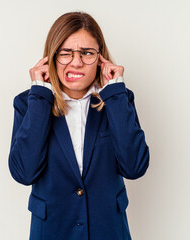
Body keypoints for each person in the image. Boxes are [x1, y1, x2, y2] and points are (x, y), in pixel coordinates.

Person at [8, 11, 150, 240]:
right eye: (65, 53)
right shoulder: (29, 103)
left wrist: (115, 91)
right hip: (53, 231)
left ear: (100, 58)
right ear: (52, 57)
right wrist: (41, 97)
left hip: (108, 231)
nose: (76, 62)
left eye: (87, 53)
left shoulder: (117, 99)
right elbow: (24, 173)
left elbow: (135, 168)